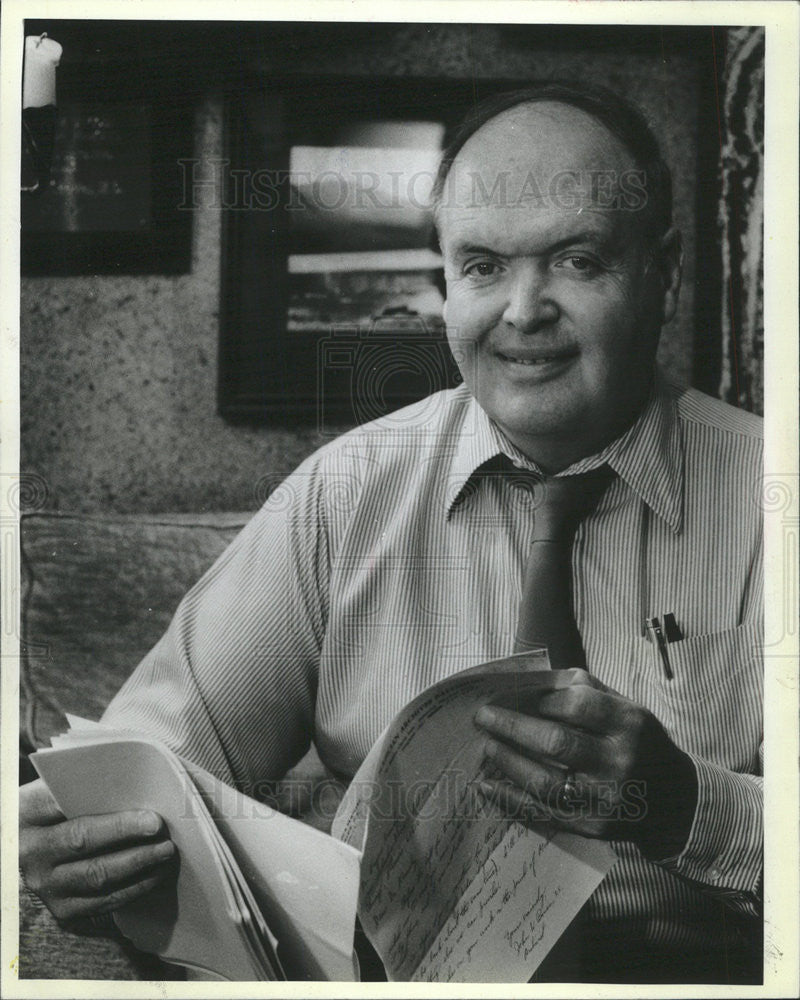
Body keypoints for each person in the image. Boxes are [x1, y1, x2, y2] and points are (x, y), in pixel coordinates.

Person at [19, 82, 763, 984]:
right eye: (483, 266)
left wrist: (684, 803)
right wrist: (85, 842)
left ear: (666, 273)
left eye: (576, 261)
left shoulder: (775, 501)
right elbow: (156, 765)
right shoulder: (344, 497)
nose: (523, 311)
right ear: (446, 285)